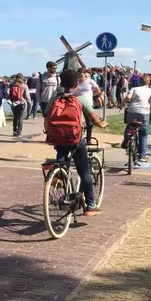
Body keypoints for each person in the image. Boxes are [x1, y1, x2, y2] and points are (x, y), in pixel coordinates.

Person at [44, 69, 107, 215]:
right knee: (84, 171)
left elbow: (47, 119)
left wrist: (48, 134)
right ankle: (90, 205)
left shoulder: (54, 99)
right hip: (76, 140)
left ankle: (58, 176)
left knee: (61, 160)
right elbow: (94, 119)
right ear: (76, 84)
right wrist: (102, 124)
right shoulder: (81, 99)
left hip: (58, 139)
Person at [122, 74, 151, 162]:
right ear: (149, 82)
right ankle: (142, 156)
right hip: (144, 112)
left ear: (139, 81)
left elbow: (128, 97)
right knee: (143, 134)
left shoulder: (134, 89)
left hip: (132, 111)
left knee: (129, 126)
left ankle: (127, 137)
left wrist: (122, 104)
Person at [76, 68, 102, 142]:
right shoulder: (77, 83)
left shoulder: (90, 81)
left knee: (89, 122)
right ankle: (79, 138)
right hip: (79, 104)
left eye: (81, 76)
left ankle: (88, 139)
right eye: (78, 76)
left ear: (85, 75)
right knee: (80, 121)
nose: (80, 78)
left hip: (88, 104)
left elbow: (98, 90)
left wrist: (91, 95)